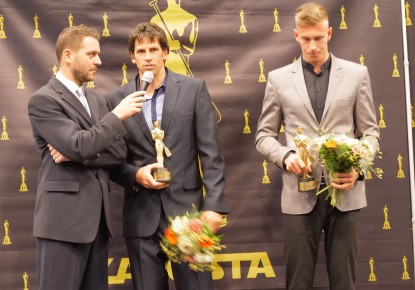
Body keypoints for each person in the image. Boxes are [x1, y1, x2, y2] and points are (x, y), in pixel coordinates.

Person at [255, 3, 379, 290]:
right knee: (297, 282)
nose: (312, 46)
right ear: (297, 35)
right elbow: (263, 136)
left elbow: (370, 133)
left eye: (319, 38)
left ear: (329, 33)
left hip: (346, 195)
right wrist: (286, 157)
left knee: (344, 283)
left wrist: (358, 169)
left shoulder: (357, 74)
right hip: (299, 193)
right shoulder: (278, 78)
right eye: (306, 38)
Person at [106, 22, 229, 290]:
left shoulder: (193, 89)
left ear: (165, 52)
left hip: (188, 214)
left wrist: (214, 206)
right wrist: (135, 175)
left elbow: (211, 154)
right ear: (132, 57)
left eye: (153, 49)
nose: (147, 56)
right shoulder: (117, 100)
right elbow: (111, 161)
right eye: (141, 51)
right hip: (141, 215)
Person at [27, 24, 144, 290]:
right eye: (91, 54)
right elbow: (79, 145)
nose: (99, 61)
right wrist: (117, 117)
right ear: (68, 55)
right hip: (62, 226)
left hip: (98, 226)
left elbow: (117, 152)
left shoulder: (97, 99)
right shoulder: (43, 100)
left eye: (98, 54)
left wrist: (77, 152)